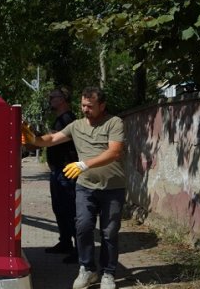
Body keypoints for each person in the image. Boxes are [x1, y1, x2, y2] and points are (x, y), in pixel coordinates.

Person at [22, 87, 125, 289]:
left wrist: (84, 164)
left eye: (90, 106)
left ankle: (108, 273)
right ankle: (87, 269)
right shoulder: (76, 126)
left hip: (113, 188)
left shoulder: (114, 123)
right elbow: (51, 139)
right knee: (83, 227)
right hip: (85, 187)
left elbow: (114, 152)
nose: (85, 109)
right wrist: (31, 137)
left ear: (102, 105)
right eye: (83, 105)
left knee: (109, 232)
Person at [44, 88, 79, 264]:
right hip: (58, 170)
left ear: (64, 99)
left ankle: (79, 249)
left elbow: (55, 139)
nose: (50, 99)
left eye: (54, 97)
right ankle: (65, 242)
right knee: (59, 208)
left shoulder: (68, 119)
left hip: (66, 171)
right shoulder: (60, 119)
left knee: (70, 210)